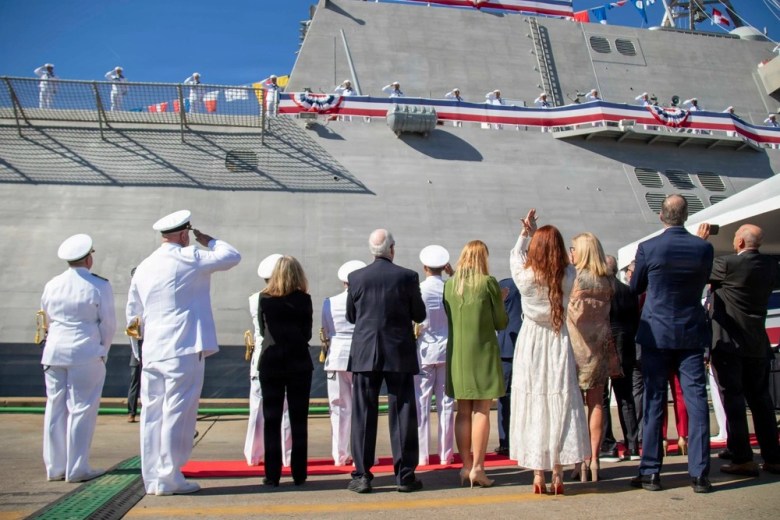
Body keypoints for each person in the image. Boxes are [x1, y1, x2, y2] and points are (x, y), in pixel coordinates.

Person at [127, 210, 241, 496]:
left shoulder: (144, 266)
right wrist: (210, 241)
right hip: (183, 347)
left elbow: (133, 315)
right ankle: (170, 476)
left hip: (153, 349)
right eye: (189, 233)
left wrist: (139, 351)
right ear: (182, 234)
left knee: (152, 414)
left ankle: (152, 477)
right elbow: (231, 256)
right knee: (179, 411)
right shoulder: (189, 256)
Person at [629, 194, 714, 494]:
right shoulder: (704, 248)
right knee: (696, 402)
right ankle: (700, 474)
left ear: (661, 216)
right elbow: (703, 280)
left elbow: (635, 287)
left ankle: (651, 471)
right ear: (686, 216)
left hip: (656, 334)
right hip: (690, 332)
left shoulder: (649, 247)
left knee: (653, 401)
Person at [509, 210, 590, 495]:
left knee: (534, 403)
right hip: (558, 339)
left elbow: (514, 257)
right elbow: (572, 265)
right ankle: (558, 472)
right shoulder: (568, 275)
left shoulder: (526, 276)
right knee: (560, 400)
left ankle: (538, 474)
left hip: (531, 342)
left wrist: (525, 234)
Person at [345, 229, 426, 494]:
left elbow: (351, 316)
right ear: (392, 248)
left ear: (371, 250)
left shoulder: (356, 277)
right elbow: (419, 313)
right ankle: (404, 475)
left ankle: (362, 475)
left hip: (365, 352)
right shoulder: (407, 276)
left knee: (363, 414)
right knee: (402, 411)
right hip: (398, 351)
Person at [698, 223, 780, 476]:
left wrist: (702, 243)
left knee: (733, 400)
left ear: (741, 243)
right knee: (761, 401)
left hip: (730, 342)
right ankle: (773, 457)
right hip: (757, 342)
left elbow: (700, 271)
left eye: (735, 238)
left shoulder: (728, 265)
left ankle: (743, 457)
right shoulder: (770, 267)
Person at [40, 234, 116, 483]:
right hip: (85, 351)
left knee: (55, 408)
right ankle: (77, 467)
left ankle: (55, 467)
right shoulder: (99, 286)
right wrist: (102, 350)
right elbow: (108, 324)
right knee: (81, 409)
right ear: (87, 258)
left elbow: (47, 318)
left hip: (53, 352)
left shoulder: (52, 284)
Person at [444, 241, 508, 488]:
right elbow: (500, 322)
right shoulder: (488, 283)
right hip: (483, 352)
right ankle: (479, 468)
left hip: (457, 356)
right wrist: (500, 301)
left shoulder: (450, 285)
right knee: (482, 410)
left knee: (463, 411)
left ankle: (466, 466)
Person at [257, 256, 313, 487]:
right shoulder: (304, 299)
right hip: (299, 362)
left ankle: (273, 474)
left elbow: (262, 331)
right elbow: (308, 333)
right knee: (299, 420)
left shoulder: (264, 298)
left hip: (271, 361)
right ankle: (299, 473)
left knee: (272, 419)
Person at [245, 254, 292, 468]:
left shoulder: (255, 298)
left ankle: (253, 454)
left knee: (258, 408)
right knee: (286, 410)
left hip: (261, 358)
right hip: (281, 356)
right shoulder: (290, 298)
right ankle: (287, 455)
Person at [321, 259, 366, 466]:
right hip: (361, 357)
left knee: (338, 408)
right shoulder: (367, 301)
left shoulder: (329, 302)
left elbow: (327, 331)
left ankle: (340, 455)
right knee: (362, 407)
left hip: (337, 356)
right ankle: (363, 454)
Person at [416, 245, 455, 467]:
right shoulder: (451, 287)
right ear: (444, 267)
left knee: (421, 404)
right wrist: (453, 274)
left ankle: (422, 455)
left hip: (423, 350)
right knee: (446, 404)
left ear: (425, 267)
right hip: (447, 350)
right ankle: (445, 454)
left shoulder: (419, 289)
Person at [604, 255, 640, 461]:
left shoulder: (601, 291)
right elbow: (635, 320)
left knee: (601, 398)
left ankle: (608, 444)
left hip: (606, 346)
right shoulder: (628, 291)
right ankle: (632, 444)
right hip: (625, 347)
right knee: (626, 397)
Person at [494, 277, 522, 457]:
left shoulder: (505, 284)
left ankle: (506, 442)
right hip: (525, 344)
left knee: (504, 397)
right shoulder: (533, 282)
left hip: (506, 347)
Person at [127, 267, 142, 423]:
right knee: (135, 380)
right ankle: (131, 412)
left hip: (150, 342)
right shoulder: (134, 296)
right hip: (137, 343)